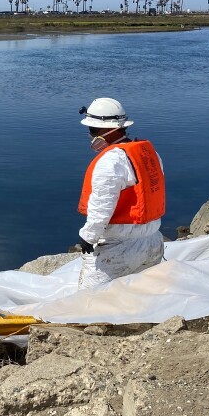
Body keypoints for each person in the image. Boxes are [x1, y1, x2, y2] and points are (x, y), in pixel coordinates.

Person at [76, 98, 165, 289]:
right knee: (140, 296)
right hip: (152, 241)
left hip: (119, 249)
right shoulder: (149, 154)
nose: (90, 136)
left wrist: (88, 237)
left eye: (93, 131)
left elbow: (102, 206)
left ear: (110, 130)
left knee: (89, 303)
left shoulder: (110, 162)